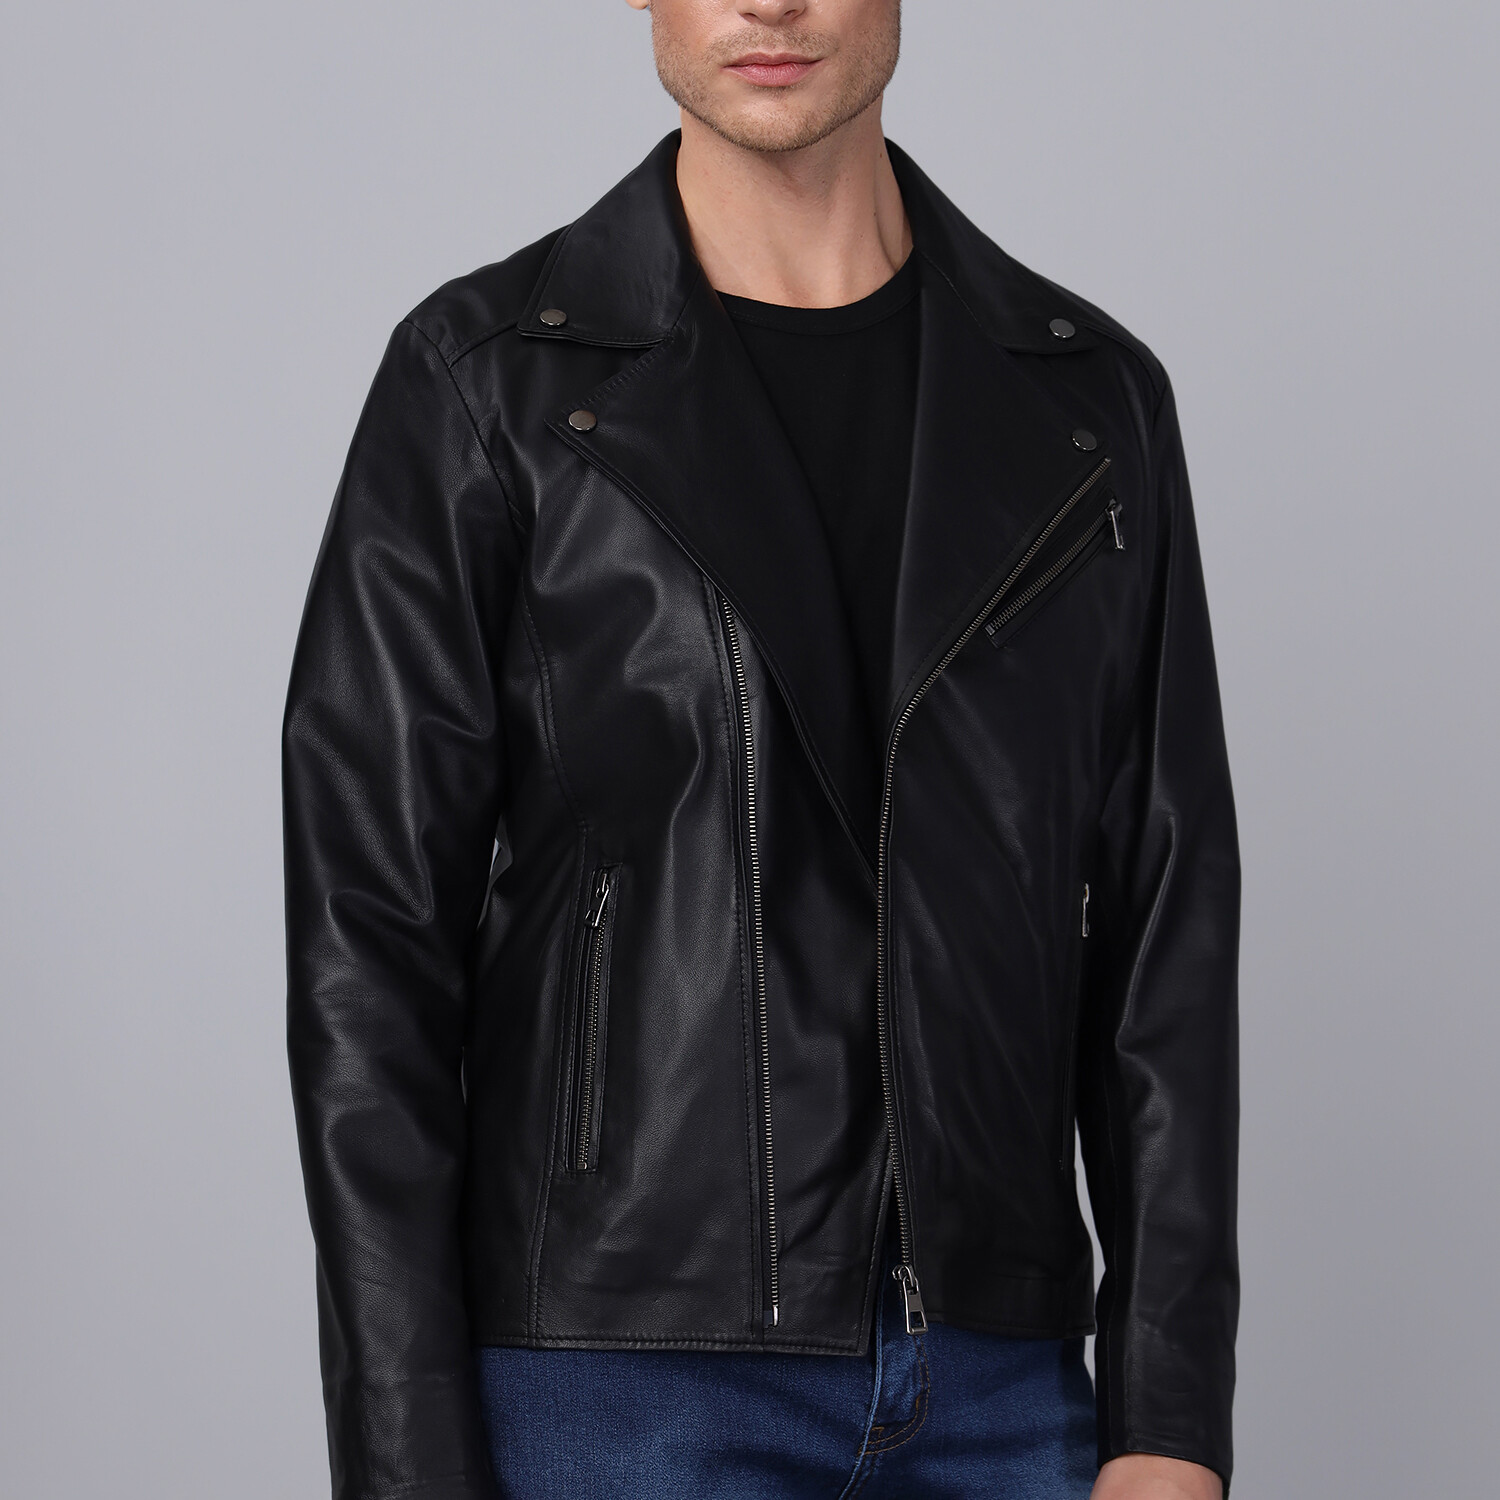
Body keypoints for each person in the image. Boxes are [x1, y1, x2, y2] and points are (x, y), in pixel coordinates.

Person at [282, 2, 1240, 1496]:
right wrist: (407, 1450)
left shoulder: (1089, 402)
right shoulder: (486, 384)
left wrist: (1170, 1417)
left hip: (1002, 1388)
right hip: (619, 1383)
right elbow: (368, 949)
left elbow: (1164, 923)